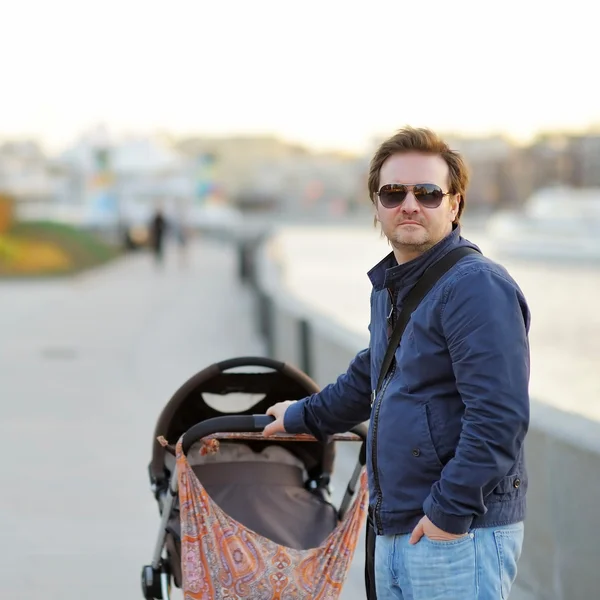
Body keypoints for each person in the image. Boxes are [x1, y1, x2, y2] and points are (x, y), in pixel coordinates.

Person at [263, 126, 531, 599]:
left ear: (455, 205)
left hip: (456, 534)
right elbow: (375, 370)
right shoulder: (395, 284)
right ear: (377, 205)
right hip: (401, 525)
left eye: (428, 193)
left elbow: (499, 416)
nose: (410, 204)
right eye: (394, 192)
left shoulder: (475, 286)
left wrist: (449, 512)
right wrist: (302, 415)